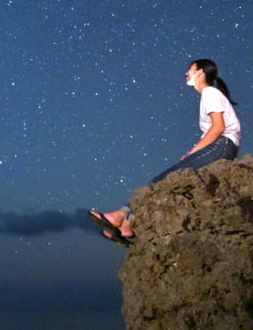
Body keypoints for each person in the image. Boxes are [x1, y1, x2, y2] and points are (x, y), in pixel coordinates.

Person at [88, 59, 241, 246]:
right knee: (170, 183)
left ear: (200, 72)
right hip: (222, 147)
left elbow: (218, 128)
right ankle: (126, 227)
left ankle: (120, 216)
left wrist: (193, 153)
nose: (186, 73)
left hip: (222, 146)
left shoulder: (210, 93)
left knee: (164, 180)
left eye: (190, 70)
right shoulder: (210, 94)